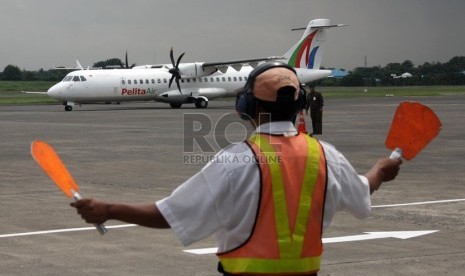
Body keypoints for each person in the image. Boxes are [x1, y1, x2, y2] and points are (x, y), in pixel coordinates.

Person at [71, 62, 402, 276]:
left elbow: (171, 214)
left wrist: (110, 209)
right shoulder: (326, 155)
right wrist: (380, 170)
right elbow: (361, 192)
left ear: (245, 106)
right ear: (301, 105)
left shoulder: (236, 161)